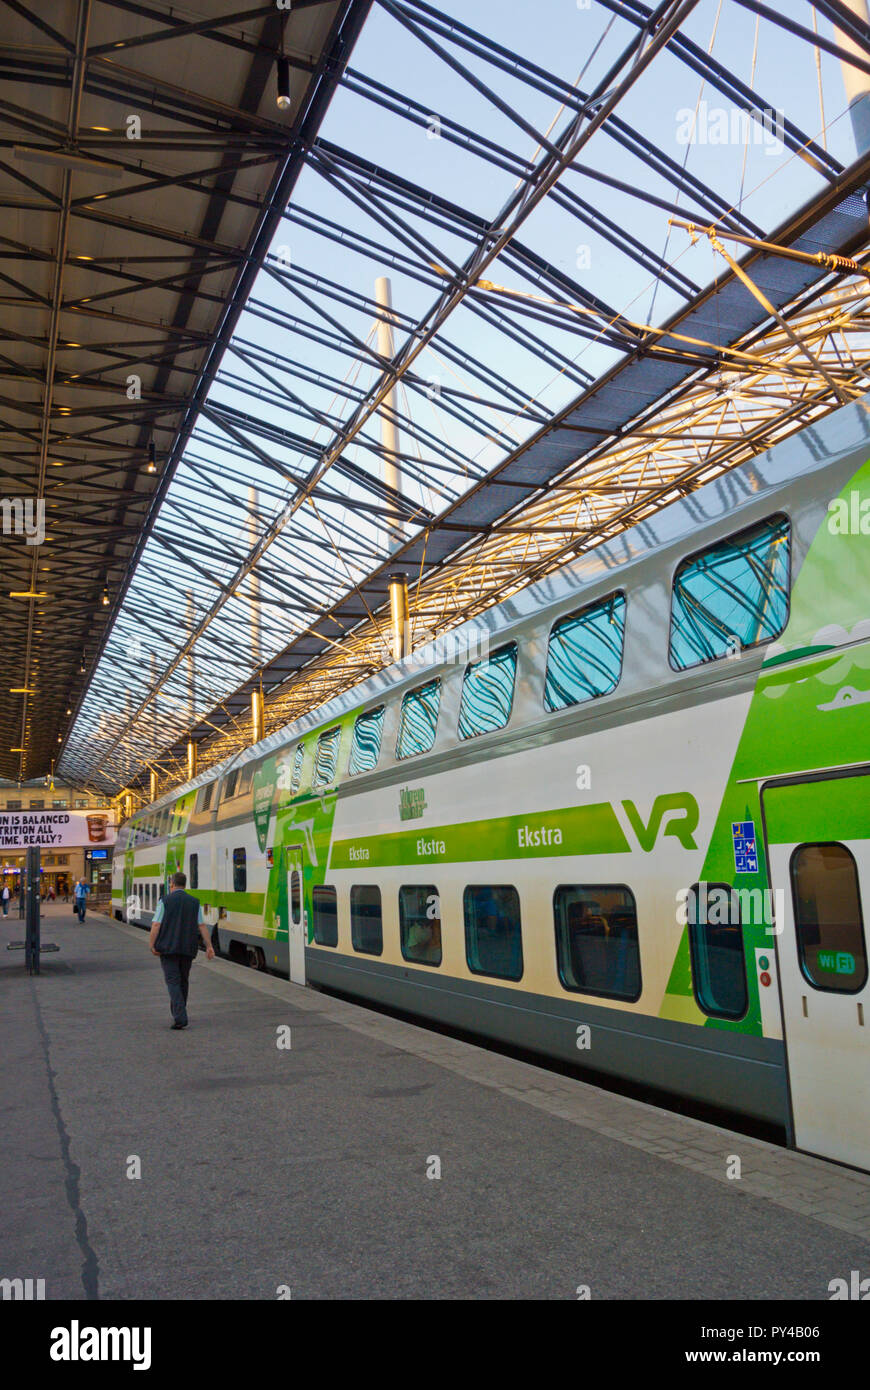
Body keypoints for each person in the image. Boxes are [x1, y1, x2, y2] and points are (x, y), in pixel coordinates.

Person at [149, 871, 214, 1030]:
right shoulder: (194, 902)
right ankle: (180, 1011)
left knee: (173, 981)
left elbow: (156, 925)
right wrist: (209, 946)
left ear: (171, 884)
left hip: (168, 948)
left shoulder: (164, 901)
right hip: (187, 948)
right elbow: (201, 926)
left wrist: (152, 944)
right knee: (183, 980)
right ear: (185, 885)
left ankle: (180, 1017)